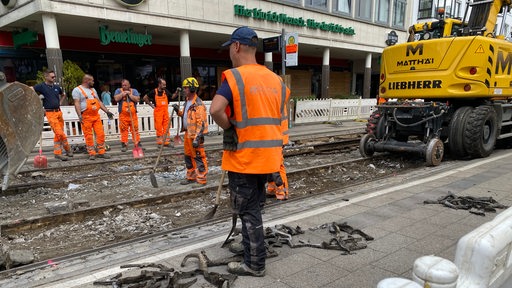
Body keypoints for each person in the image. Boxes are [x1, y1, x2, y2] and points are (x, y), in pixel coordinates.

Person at [209, 26, 290, 277]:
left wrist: (229, 127)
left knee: (247, 210)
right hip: (269, 159)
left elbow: (215, 109)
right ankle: (250, 246)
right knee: (255, 207)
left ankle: (255, 264)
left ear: (236, 47)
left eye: (229, 49)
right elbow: (281, 120)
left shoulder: (235, 77)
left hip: (244, 158)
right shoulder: (277, 80)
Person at [172, 77, 209, 186]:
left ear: (192, 89)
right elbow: (185, 115)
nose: (184, 90)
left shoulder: (198, 104)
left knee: (199, 157)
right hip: (188, 134)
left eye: (186, 88)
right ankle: (191, 176)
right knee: (188, 156)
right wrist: (178, 111)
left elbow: (201, 123)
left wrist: (197, 138)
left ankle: (202, 178)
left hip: (196, 135)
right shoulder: (187, 101)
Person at [32, 70, 73, 161]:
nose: (54, 78)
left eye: (54, 76)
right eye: (52, 77)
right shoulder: (41, 86)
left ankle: (58, 153)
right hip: (50, 113)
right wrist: (38, 102)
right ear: (46, 77)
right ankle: (67, 149)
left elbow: (63, 95)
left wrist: (60, 103)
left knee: (58, 135)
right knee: (60, 133)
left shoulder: (57, 87)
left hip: (58, 112)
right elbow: (30, 90)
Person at [72, 74, 114, 160]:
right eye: (92, 80)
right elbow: (77, 103)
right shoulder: (77, 90)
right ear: (87, 81)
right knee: (88, 135)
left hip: (96, 116)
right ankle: (92, 153)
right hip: (86, 116)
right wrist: (79, 115)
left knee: (100, 134)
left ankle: (101, 152)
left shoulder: (93, 90)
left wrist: (107, 111)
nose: (94, 82)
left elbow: (99, 102)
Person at [142, 78, 178, 146]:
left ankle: (166, 142)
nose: (165, 86)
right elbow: (144, 98)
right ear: (159, 84)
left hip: (165, 112)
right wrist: (151, 105)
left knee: (166, 127)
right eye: (163, 85)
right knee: (159, 128)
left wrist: (176, 92)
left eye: (165, 85)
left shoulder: (166, 91)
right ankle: (160, 143)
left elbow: (172, 97)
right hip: (158, 113)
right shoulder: (154, 92)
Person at [113, 79, 141, 152]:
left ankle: (137, 144)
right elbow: (116, 98)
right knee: (123, 130)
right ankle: (124, 145)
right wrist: (122, 94)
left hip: (133, 115)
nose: (124, 86)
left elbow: (137, 99)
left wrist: (129, 94)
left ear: (129, 85)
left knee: (135, 130)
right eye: (123, 85)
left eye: (125, 85)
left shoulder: (134, 91)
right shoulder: (118, 91)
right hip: (123, 115)